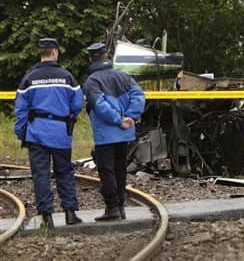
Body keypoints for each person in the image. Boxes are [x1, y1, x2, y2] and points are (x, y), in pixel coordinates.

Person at [14, 38, 84, 228]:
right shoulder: (67, 77)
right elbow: (78, 104)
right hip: (61, 133)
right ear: (55, 52)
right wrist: (68, 116)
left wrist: (22, 133)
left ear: (41, 53)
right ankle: (70, 213)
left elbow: (20, 110)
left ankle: (47, 218)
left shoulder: (29, 78)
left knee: (41, 175)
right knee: (65, 172)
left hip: (37, 133)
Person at [83, 42, 146, 221]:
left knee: (106, 170)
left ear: (90, 58)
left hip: (106, 135)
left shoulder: (92, 81)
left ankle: (112, 208)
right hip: (125, 133)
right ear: (107, 55)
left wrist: (119, 120)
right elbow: (139, 96)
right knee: (120, 169)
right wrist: (130, 117)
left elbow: (100, 105)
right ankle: (121, 206)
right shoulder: (124, 76)